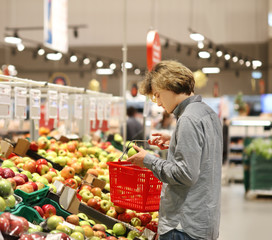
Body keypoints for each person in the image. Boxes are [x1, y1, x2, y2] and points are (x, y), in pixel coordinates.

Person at [127, 60, 223, 240]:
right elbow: (205, 153)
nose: (158, 103)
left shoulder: (187, 119)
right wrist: (175, 142)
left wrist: (148, 160)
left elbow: (185, 174)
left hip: (183, 226)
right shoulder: (207, 112)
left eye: (157, 95)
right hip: (205, 219)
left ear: (169, 86)